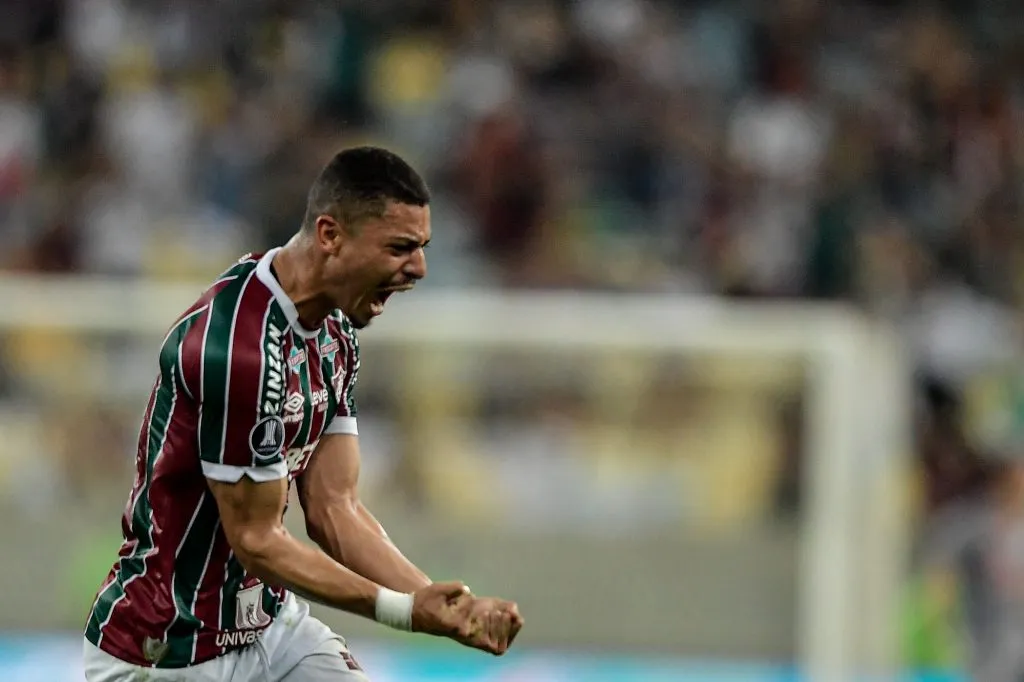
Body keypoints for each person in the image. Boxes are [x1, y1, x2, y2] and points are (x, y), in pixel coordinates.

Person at [82, 146, 523, 682]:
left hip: (270, 629)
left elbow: (334, 508)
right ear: (331, 235)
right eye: (400, 248)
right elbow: (257, 541)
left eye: (422, 247)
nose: (419, 268)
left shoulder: (336, 334)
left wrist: (442, 605)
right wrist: (402, 611)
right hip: (167, 652)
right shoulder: (237, 348)